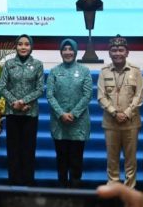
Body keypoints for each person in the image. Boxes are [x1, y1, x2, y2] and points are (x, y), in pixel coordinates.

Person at [97, 34, 143, 188]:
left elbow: (139, 95)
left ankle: (129, 189)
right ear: (109, 52)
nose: (117, 53)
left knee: (130, 160)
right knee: (112, 160)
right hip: (111, 123)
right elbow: (100, 96)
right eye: (114, 50)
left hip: (131, 123)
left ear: (127, 52)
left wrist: (127, 113)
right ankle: (113, 189)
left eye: (121, 50)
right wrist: (114, 112)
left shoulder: (136, 71)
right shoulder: (104, 71)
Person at [47, 38, 93, 188]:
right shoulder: (54, 71)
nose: (68, 52)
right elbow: (49, 95)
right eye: (64, 49)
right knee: (61, 157)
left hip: (78, 123)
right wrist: (61, 113)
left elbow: (87, 95)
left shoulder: (85, 71)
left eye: (70, 49)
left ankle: (75, 189)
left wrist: (73, 114)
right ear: (61, 52)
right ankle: (62, 188)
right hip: (59, 123)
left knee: (76, 158)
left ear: (75, 51)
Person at [0, 33, 43, 186]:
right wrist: (14, 103)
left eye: (26, 44)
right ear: (16, 46)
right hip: (12, 112)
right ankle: (14, 180)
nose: (23, 47)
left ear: (31, 47)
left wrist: (23, 101)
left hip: (30, 112)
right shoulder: (9, 64)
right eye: (20, 44)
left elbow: (39, 89)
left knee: (28, 148)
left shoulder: (38, 64)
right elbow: (2, 86)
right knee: (13, 148)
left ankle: (28, 180)